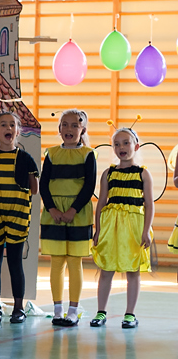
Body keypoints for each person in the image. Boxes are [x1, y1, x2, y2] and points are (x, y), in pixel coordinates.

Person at [90, 127, 153, 328]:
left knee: (133, 271)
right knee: (106, 270)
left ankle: (130, 314)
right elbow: (101, 203)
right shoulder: (108, 173)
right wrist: (98, 229)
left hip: (134, 228)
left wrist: (146, 231)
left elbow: (149, 204)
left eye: (126, 143)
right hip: (111, 227)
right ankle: (101, 312)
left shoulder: (143, 174)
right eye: (117, 144)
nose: (121, 147)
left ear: (136, 146)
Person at [39, 109, 96, 327]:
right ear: (59, 128)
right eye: (65, 124)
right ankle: (57, 309)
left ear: (83, 130)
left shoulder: (88, 154)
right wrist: (52, 209)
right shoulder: (52, 153)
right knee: (56, 262)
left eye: (74, 125)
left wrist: (73, 209)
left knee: (74, 262)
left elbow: (89, 186)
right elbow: (44, 184)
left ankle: (73, 310)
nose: (69, 129)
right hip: (54, 213)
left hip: (78, 214)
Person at [0, 111, 39, 324]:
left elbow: (34, 189)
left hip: (17, 215)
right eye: (3, 125)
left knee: (15, 263)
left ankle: (18, 308)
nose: (8, 128)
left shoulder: (25, 158)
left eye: (12, 125)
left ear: (17, 131)